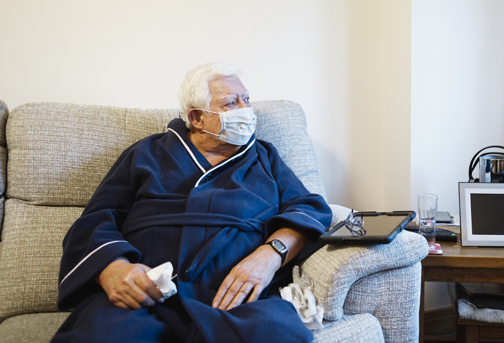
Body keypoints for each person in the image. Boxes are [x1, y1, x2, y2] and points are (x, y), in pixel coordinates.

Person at [52, 62, 332, 343]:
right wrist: (111, 269)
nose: (246, 110)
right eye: (230, 103)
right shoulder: (146, 153)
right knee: (98, 335)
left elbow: (308, 208)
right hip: (148, 294)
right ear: (197, 117)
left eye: (246, 99)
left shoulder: (264, 157)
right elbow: (96, 218)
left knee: (277, 333)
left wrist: (270, 255)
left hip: (240, 299)